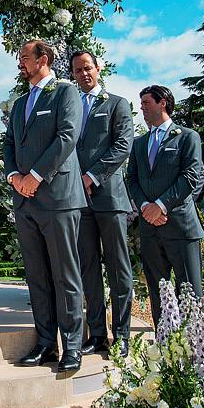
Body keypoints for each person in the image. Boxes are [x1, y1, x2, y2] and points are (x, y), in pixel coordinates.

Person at [3, 40, 87, 374]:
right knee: (37, 275)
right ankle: (45, 343)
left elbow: (67, 137)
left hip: (58, 198)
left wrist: (35, 176)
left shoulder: (66, 93)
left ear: (43, 60)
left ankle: (73, 345)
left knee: (65, 274)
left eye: (25, 57)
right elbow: (9, 142)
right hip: (25, 200)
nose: (20, 63)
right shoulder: (19, 103)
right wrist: (14, 176)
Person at [71, 51, 134, 358]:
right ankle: (97, 334)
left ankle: (121, 335)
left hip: (109, 198)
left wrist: (91, 177)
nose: (83, 74)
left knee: (118, 268)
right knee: (88, 269)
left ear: (98, 68)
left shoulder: (117, 104)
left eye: (88, 68)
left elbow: (122, 146)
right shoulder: (70, 106)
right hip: (78, 201)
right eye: (77, 70)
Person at [126, 84, 204, 326]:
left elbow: (191, 176)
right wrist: (145, 207)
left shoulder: (187, 137)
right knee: (158, 290)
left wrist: (160, 206)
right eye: (141, 104)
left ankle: (194, 341)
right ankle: (164, 339)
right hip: (149, 229)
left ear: (162, 103)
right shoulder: (139, 143)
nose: (142, 108)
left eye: (146, 103)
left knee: (189, 291)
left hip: (180, 226)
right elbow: (132, 179)